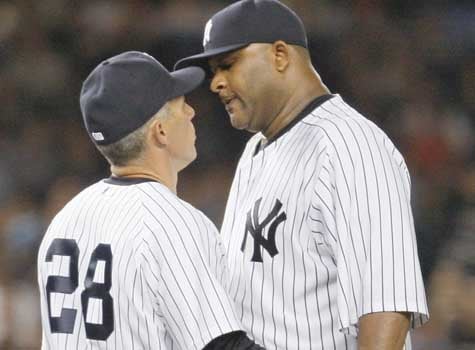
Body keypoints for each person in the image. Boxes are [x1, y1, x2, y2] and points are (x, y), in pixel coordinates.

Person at [175, 1, 429, 349]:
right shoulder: (255, 151)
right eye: (213, 72)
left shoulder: (350, 145)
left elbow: (386, 304)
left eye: (228, 65)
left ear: (280, 55)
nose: (215, 83)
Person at [37, 51, 266, 349]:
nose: (191, 113)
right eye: (181, 105)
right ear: (160, 132)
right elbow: (221, 346)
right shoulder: (172, 222)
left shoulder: (64, 219)